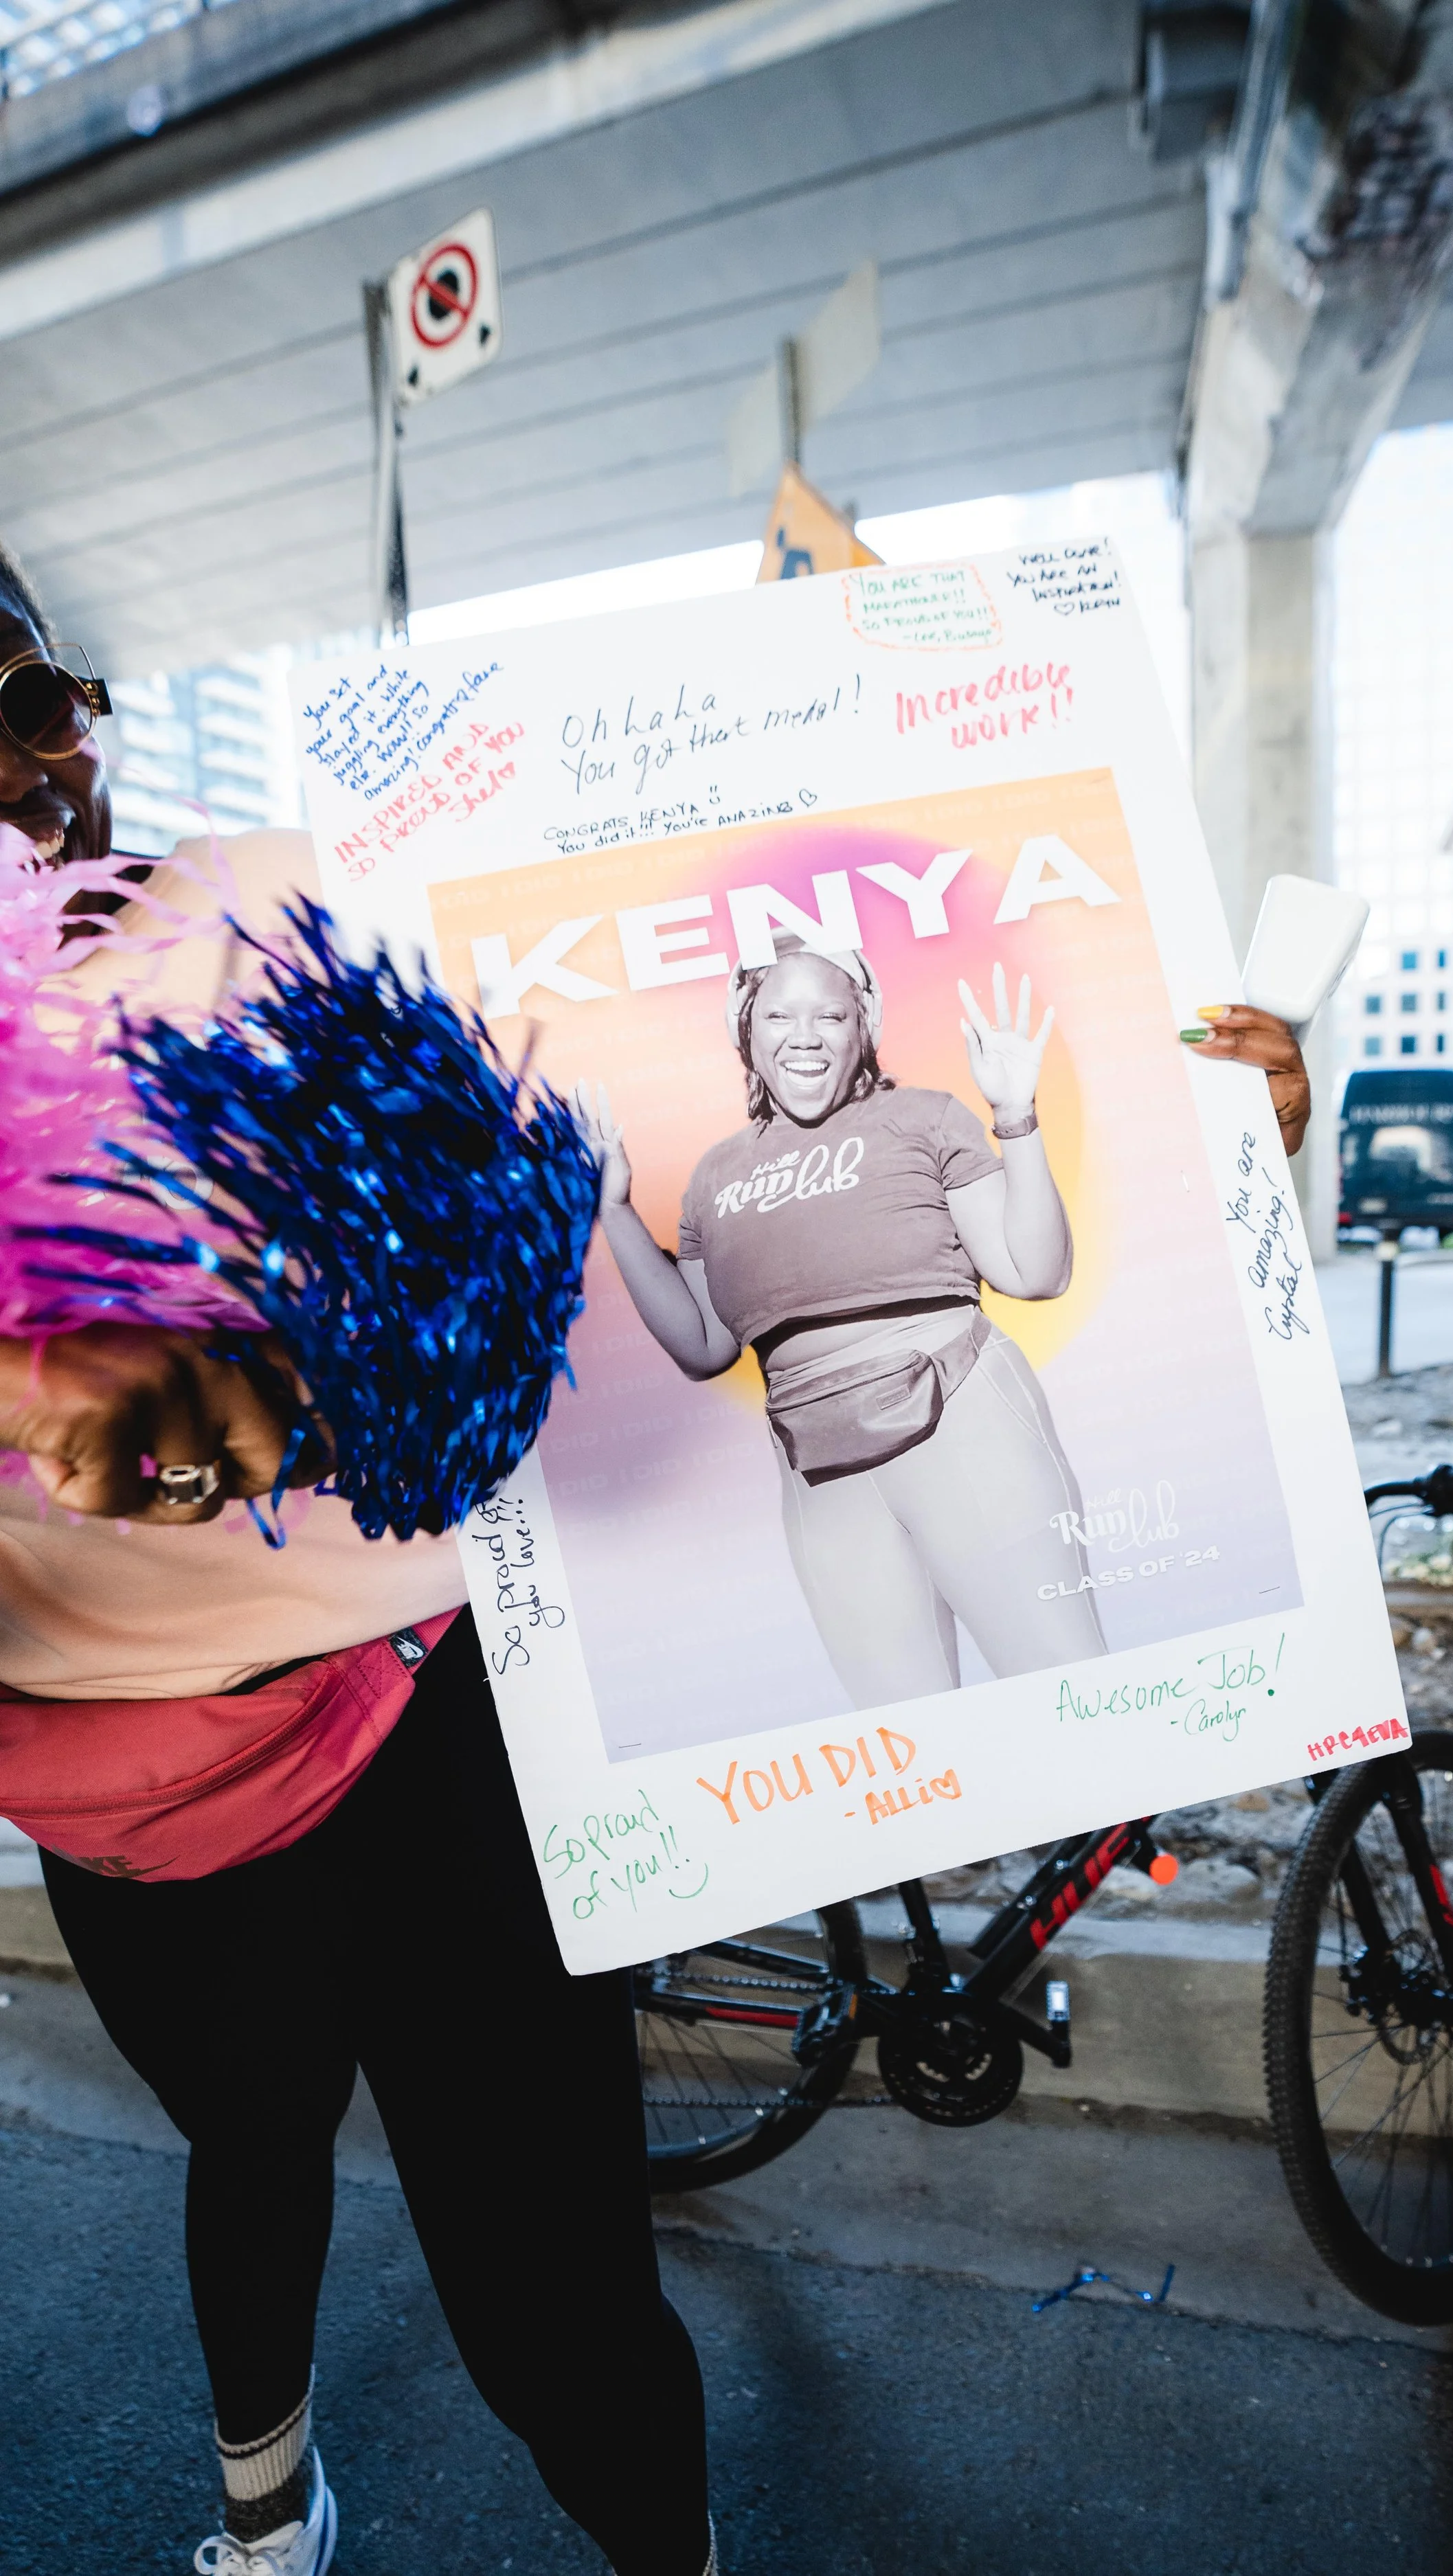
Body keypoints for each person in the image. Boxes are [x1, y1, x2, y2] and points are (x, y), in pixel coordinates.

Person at [0, 545, 712, 2576]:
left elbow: (634, 1108)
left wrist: (1144, 1124)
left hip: (437, 1719)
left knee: (557, 2277)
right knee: (251, 2140)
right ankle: (262, 2514)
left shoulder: (278, 900)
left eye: (31, 693)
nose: (22, 765)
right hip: (134, 1796)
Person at [579, 941, 1311, 1710]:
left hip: (962, 1413)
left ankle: (1117, 1838)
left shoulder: (924, 1117)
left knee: (1064, 1685)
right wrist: (613, 1209)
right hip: (816, 1466)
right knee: (906, 1739)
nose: (805, 1035)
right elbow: (701, 1346)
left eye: (830, 1013)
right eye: (779, 1014)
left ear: (864, 1026)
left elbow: (1034, 1273)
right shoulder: (714, 1175)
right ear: (745, 1031)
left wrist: (1014, 1115)